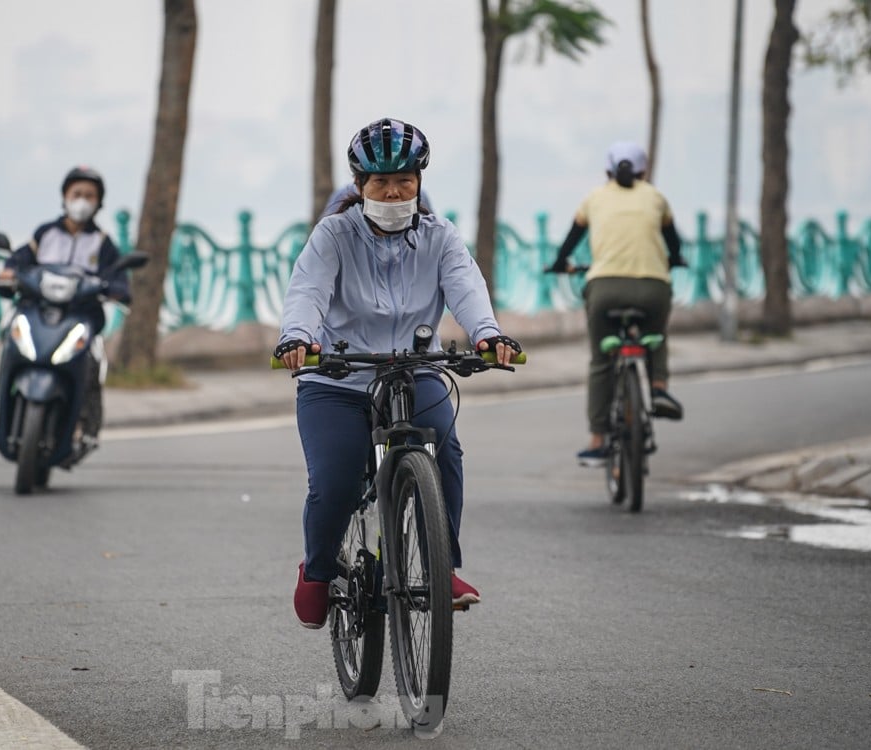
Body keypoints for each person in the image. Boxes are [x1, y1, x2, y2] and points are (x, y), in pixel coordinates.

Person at [275, 117, 522, 629]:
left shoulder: (440, 236)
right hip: (337, 379)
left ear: (419, 182)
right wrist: (298, 337)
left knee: (446, 448)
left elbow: (466, 287)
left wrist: (487, 335)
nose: (393, 191)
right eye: (381, 182)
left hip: (415, 371)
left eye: (404, 181)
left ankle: (440, 566)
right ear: (360, 184)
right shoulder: (333, 235)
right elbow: (308, 290)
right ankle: (318, 571)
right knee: (336, 482)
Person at [546, 141, 686, 468]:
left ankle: (597, 440)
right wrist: (676, 259)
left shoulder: (595, 199)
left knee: (600, 361)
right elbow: (674, 242)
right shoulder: (655, 197)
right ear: (643, 171)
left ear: (608, 171)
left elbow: (571, 239)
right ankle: (659, 387)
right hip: (653, 287)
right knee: (656, 334)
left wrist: (559, 262)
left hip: (605, 288)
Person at [0, 165, 132, 444]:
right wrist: (9, 272)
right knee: (9, 342)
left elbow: (118, 277)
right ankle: (0, 412)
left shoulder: (103, 243)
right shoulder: (45, 234)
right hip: (39, 311)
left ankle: (85, 423)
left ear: (98, 203)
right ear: (65, 197)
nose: (81, 200)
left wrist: (117, 290)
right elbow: (19, 260)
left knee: (92, 361)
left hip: (80, 316)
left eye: (89, 195)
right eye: (77, 193)